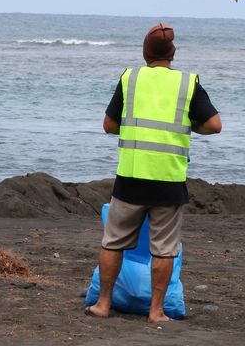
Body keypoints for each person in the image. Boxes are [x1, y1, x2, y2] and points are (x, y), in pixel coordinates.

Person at [86, 23, 222, 323]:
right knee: (164, 249)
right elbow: (214, 125)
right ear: (173, 54)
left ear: (144, 52)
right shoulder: (187, 83)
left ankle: (103, 304)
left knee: (113, 242)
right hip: (169, 181)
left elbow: (108, 125)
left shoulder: (130, 78)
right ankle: (156, 312)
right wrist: (190, 126)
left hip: (131, 177)